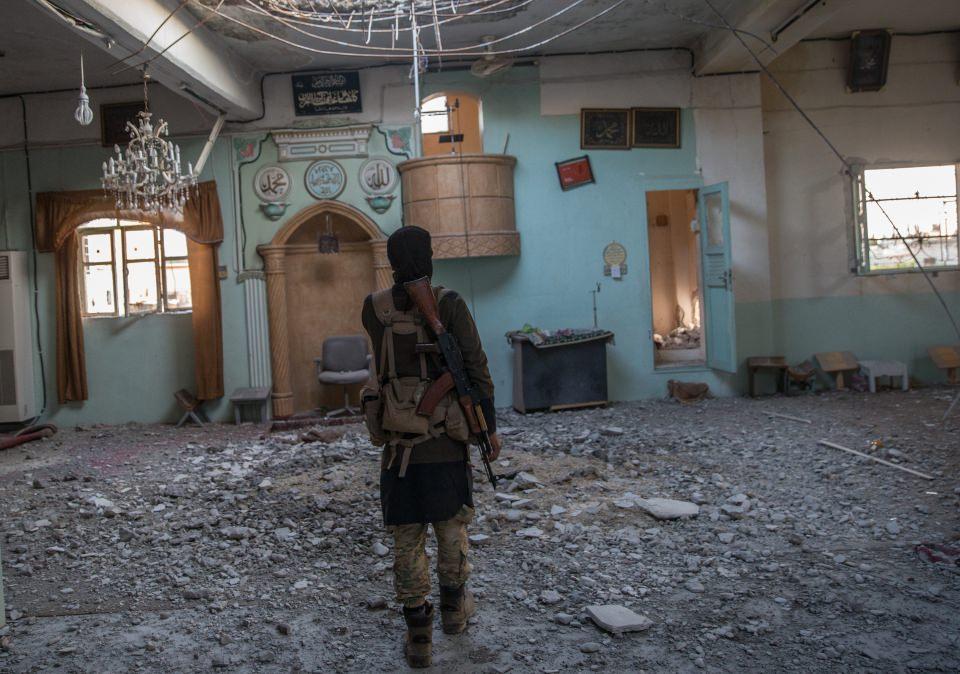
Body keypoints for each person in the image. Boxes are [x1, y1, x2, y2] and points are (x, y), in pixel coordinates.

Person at [361, 225, 501, 668]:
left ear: (391, 263)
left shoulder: (373, 307)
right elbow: (476, 367)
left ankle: (418, 633)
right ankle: (455, 613)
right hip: (445, 443)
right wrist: (489, 428)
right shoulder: (449, 302)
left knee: (406, 538)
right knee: (451, 530)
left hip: (398, 448)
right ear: (430, 259)